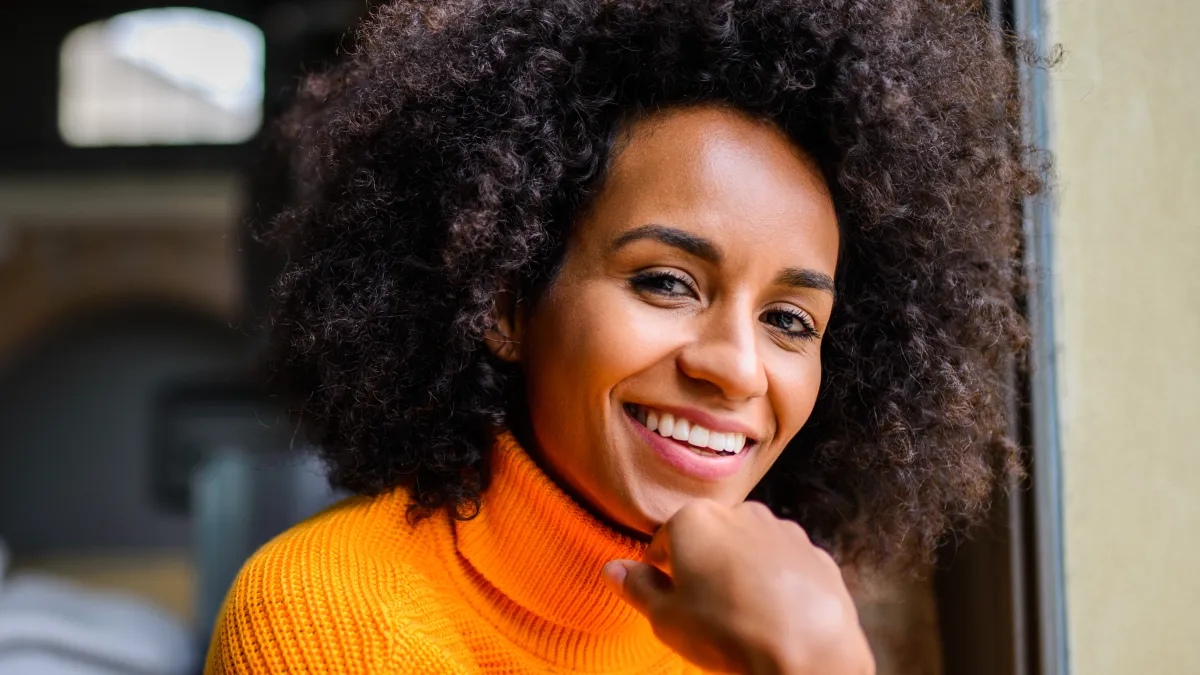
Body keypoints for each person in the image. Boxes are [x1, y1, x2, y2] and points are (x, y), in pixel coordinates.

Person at [205, 1, 1039, 673]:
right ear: (505, 302)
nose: (735, 368)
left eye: (789, 320)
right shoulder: (330, 616)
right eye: (666, 282)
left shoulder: (763, 623)